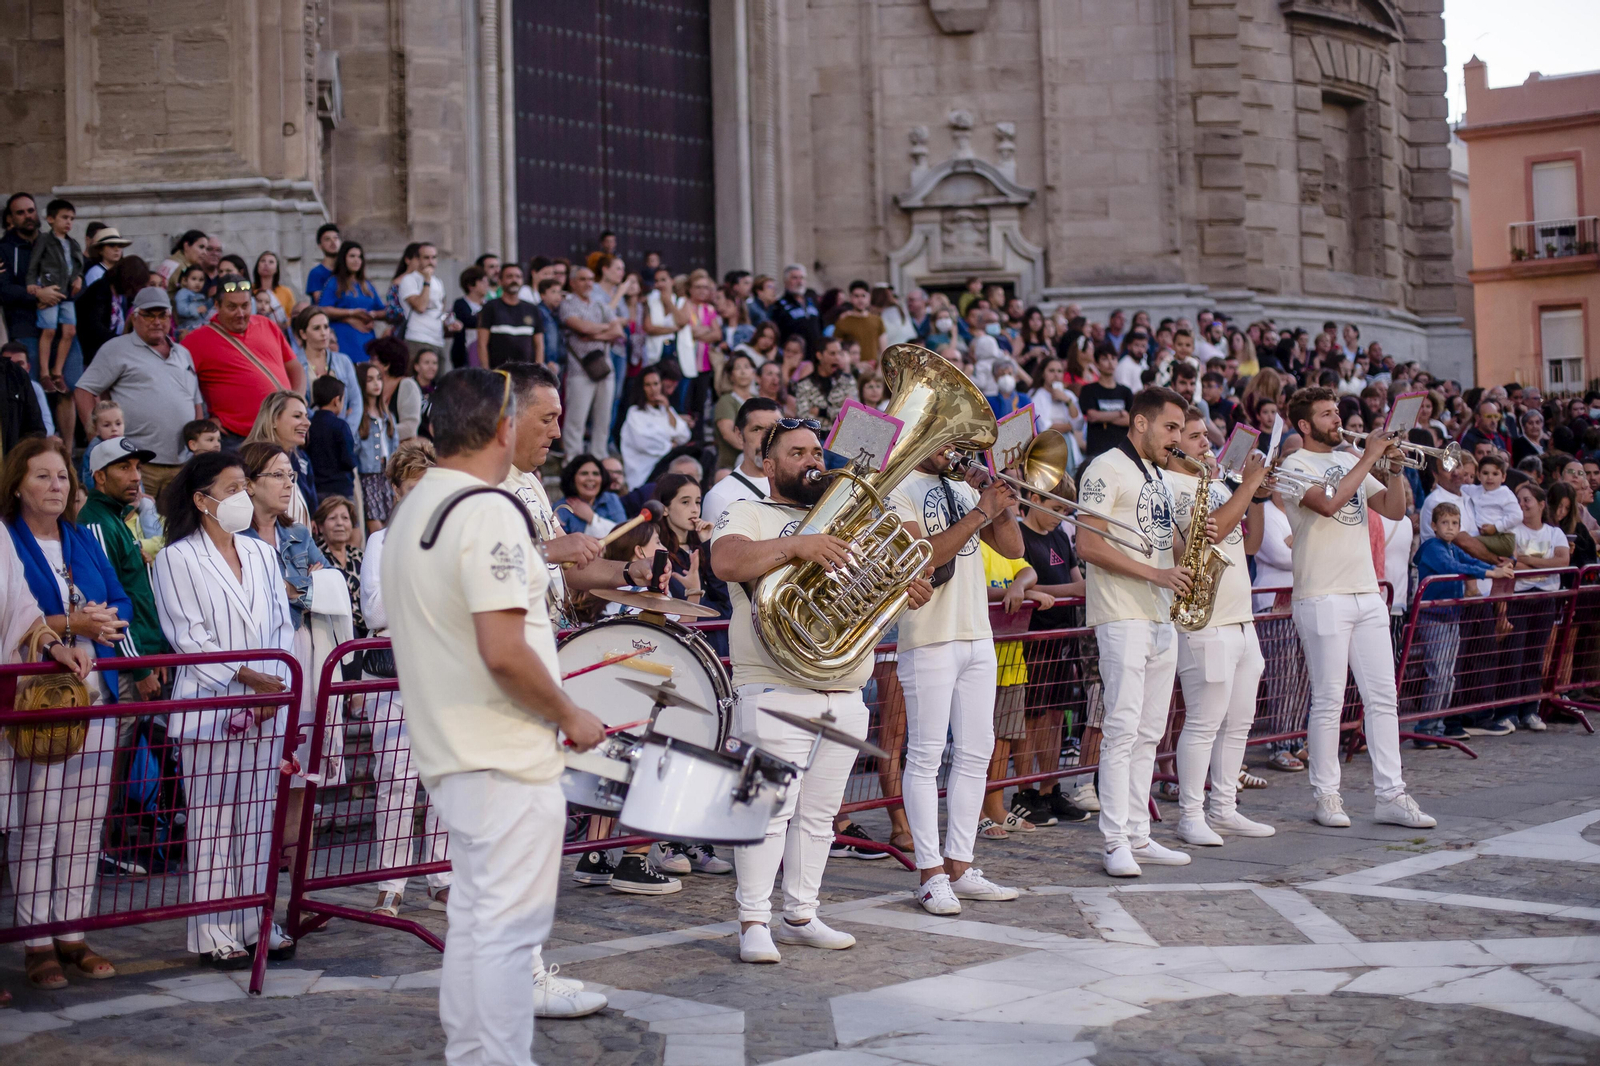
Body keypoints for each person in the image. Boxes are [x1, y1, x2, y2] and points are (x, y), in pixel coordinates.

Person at [382, 368, 607, 1064]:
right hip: (505, 754)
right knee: (506, 933)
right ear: (502, 428)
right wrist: (571, 714)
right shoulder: (486, 510)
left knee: (478, 927)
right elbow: (504, 651)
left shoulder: (414, 511)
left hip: (454, 753)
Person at [711, 418, 933, 963]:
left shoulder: (848, 518)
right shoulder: (750, 511)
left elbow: (862, 589)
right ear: (768, 464)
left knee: (819, 814)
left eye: (816, 451)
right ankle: (753, 921)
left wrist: (901, 589)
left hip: (843, 688)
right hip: (775, 685)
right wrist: (800, 546)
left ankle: (802, 913)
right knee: (769, 811)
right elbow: (726, 561)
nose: (812, 461)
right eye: (796, 453)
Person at [152, 450, 298, 969]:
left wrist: (274, 685)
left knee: (258, 819)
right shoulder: (176, 558)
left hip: (266, 706)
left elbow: (282, 623)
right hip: (210, 708)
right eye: (231, 488)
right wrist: (247, 679)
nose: (241, 497)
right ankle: (214, 929)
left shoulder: (259, 552)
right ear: (202, 499)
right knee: (213, 822)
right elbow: (188, 637)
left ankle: (257, 919)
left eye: (244, 487)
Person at [3, 437, 129, 990]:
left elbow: (119, 598)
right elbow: (19, 615)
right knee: (39, 820)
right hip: (41, 699)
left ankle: (72, 931)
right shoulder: (8, 541)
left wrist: (102, 621)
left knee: (83, 818)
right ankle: (35, 939)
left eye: (61, 477)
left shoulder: (81, 538)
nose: (55, 486)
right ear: (16, 485)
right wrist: (72, 623)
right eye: (42, 476)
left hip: (94, 690)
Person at [1278, 386, 1434, 829]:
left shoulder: (1349, 460)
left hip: (1367, 591)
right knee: (1328, 700)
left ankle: (1391, 794)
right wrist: (1368, 456)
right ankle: (1327, 795)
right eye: (1327, 414)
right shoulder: (1294, 465)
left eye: (1336, 412)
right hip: (1322, 593)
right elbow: (1327, 504)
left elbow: (1394, 510)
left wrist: (1397, 470)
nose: (1336, 419)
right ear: (1305, 425)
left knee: (1383, 697)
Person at [886, 419, 1025, 913]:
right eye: (946, 441)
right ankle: (929, 873)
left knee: (975, 750)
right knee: (925, 755)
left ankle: (960, 865)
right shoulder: (896, 486)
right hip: (928, 637)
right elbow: (920, 555)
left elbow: (1013, 550)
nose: (955, 452)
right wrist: (978, 514)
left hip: (976, 635)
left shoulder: (964, 487)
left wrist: (998, 503)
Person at [1073, 388, 1195, 876]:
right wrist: (1157, 575)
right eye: (1170, 427)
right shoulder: (1105, 467)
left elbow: (1167, 549)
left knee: (1149, 732)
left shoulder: (1160, 475)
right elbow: (1086, 543)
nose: (1178, 438)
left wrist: (1189, 548)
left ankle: (1139, 834)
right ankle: (1113, 841)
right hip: (1122, 612)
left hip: (1160, 613)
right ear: (1140, 423)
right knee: (1122, 729)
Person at [1165, 408, 1276, 845]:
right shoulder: (1171, 487)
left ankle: (1225, 808)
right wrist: (1247, 484)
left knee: (1239, 721)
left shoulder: (1216, 484)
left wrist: (1258, 495)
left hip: (1240, 616)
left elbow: (1248, 542)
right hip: (1203, 620)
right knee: (1204, 720)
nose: (1205, 445)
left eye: (1204, 437)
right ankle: (1191, 814)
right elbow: (1206, 536)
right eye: (1194, 438)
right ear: (1174, 447)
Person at [1412, 503, 1511, 743]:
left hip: (1450, 616)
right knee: (1439, 674)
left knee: (1447, 676)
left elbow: (1469, 561)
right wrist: (1491, 574)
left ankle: (1436, 726)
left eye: (1455, 523)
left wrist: (1495, 567)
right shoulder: (1432, 548)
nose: (1450, 528)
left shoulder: (1452, 548)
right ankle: (1426, 728)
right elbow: (1451, 567)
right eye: (1445, 523)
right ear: (1434, 526)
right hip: (1434, 616)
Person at [976, 540, 1052, 837]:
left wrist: (1021, 587)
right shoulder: (974, 544)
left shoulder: (1004, 546)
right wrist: (1019, 591)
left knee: (1004, 739)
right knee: (977, 743)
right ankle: (976, 811)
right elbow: (969, 590)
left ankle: (995, 806)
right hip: (980, 662)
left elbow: (1028, 571)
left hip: (1011, 662)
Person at [186, 277, 307, 441]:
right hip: (239, 438)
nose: (240, 314)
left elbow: (295, 367)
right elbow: (181, 387)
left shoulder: (267, 324)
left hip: (282, 432)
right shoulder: (196, 340)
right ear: (216, 306)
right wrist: (201, 421)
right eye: (232, 307)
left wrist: (297, 403)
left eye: (245, 306)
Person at [559, 265, 625, 456]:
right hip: (580, 369)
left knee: (603, 420)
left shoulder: (600, 305)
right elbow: (580, 327)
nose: (588, 283)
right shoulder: (568, 304)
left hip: (604, 368)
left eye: (590, 279)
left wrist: (594, 333)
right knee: (576, 419)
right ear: (572, 283)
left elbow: (618, 332)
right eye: (582, 279)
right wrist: (605, 329)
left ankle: (599, 458)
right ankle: (572, 459)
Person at [28, 199, 84, 413]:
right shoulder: (44, 240)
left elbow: (77, 265)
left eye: (71, 219)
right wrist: (31, 284)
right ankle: (44, 372)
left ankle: (57, 371)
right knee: (49, 329)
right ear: (50, 219)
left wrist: (78, 278)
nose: (68, 222)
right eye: (64, 217)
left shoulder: (72, 243)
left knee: (69, 331)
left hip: (67, 292)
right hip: (50, 288)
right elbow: (34, 263)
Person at [701, 397, 782, 524]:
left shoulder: (797, 483)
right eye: (757, 429)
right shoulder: (720, 497)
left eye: (773, 430)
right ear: (739, 435)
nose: (766, 439)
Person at [245, 390, 317, 525]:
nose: (307, 423)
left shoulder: (300, 459)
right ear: (273, 420)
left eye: (306, 416)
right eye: (297, 416)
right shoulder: (252, 460)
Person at [620, 366, 692, 489]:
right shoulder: (635, 413)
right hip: (646, 473)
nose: (652, 389)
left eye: (655, 384)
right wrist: (670, 444)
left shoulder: (666, 409)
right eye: (648, 385)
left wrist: (668, 409)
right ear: (642, 388)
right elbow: (644, 442)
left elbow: (684, 435)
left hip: (666, 466)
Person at [293, 306, 362, 433]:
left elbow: (356, 402)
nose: (324, 333)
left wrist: (345, 432)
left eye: (326, 327)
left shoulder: (343, 361)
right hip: (311, 436)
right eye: (316, 328)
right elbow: (297, 404)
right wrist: (321, 430)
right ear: (303, 334)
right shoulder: (295, 364)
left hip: (344, 437)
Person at [316, 242, 385, 362]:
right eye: (352, 256)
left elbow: (383, 310)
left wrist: (372, 316)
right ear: (343, 259)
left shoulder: (367, 285)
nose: (356, 260)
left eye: (359, 257)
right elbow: (323, 309)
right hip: (344, 340)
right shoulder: (334, 282)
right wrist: (351, 314)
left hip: (366, 341)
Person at [355, 362, 399, 533]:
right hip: (368, 475)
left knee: (390, 523)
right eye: (370, 379)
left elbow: (395, 445)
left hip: (386, 473)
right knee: (375, 525)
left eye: (379, 379)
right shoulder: (360, 416)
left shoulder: (387, 415)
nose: (376, 383)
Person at [312, 495, 365, 634]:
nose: (340, 523)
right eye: (332, 518)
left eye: (345, 518)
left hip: (367, 631)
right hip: (335, 632)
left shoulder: (359, 556)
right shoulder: (316, 558)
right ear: (321, 526)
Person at [475, 263, 537, 368]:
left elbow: (539, 344)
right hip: (498, 372)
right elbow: (482, 343)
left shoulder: (532, 309)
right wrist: (486, 372)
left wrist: (537, 372)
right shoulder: (490, 307)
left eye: (518, 277)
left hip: (527, 374)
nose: (514, 280)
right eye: (509, 276)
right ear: (500, 281)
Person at [1079, 345, 1134, 460]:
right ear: (1097, 363)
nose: (1110, 363)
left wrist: (1103, 417)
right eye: (1105, 359)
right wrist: (1119, 413)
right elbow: (1092, 416)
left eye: (1113, 358)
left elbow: (1131, 420)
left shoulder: (1125, 391)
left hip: (1122, 451)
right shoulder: (1089, 390)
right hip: (1097, 451)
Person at [308, 375, 358, 501]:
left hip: (317, 489)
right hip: (341, 489)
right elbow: (348, 459)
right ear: (336, 400)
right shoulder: (340, 425)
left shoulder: (309, 424)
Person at [554, 454, 625, 537]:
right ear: (572, 478)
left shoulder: (611, 499)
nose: (591, 478)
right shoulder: (561, 508)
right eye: (584, 473)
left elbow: (625, 535)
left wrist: (592, 518)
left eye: (595, 473)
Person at [713, 351, 760, 470]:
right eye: (737, 368)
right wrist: (754, 452)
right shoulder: (726, 401)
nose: (743, 372)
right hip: (730, 467)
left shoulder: (758, 400)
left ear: (753, 373)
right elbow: (728, 434)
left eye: (747, 367)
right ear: (730, 375)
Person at [304, 222, 341, 301]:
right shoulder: (316, 273)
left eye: (336, 238)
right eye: (327, 239)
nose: (333, 242)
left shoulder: (346, 270)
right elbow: (320, 300)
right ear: (320, 245)